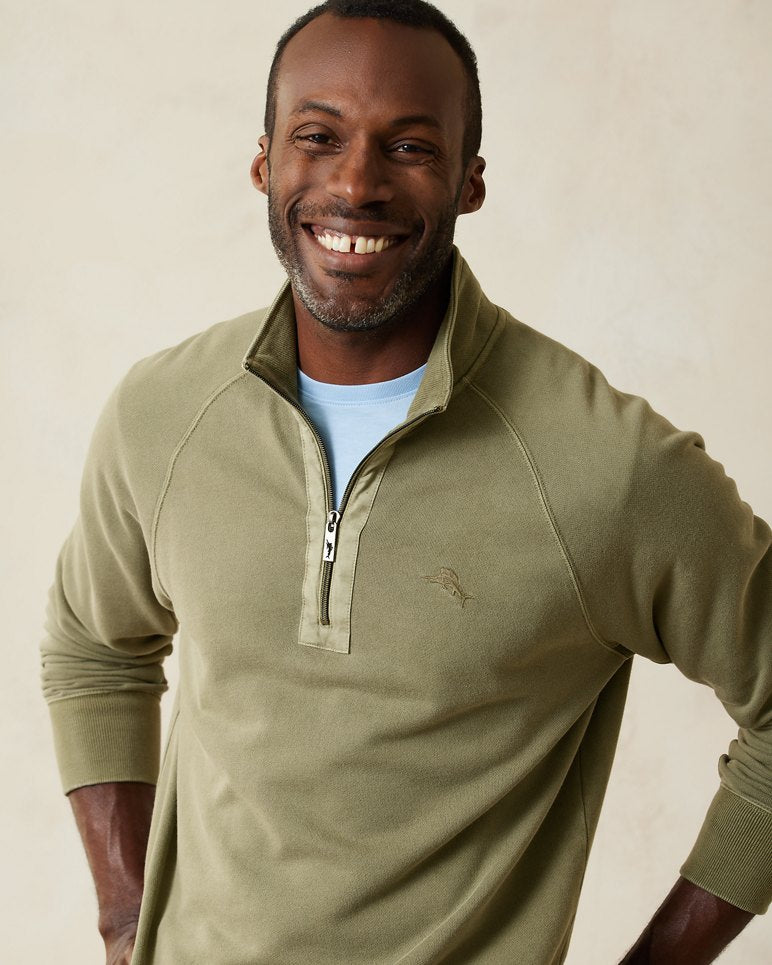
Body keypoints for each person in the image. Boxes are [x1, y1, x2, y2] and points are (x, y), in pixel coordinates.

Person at [41, 1, 771, 963]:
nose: (356, 183)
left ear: (470, 182)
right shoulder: (163, 413)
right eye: (318, 136)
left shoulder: (608, 464)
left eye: (411, 147)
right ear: (265, 162)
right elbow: (95, 648)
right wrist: (126, 921)